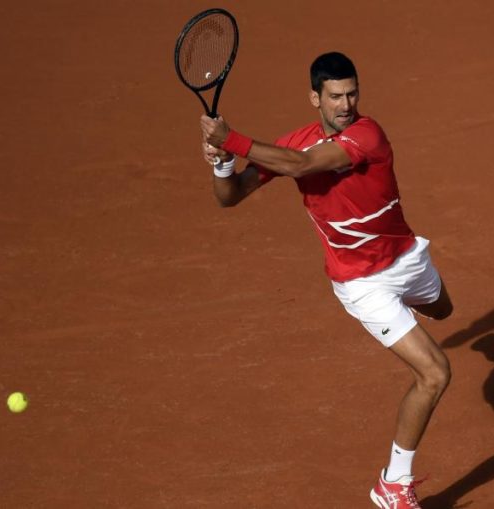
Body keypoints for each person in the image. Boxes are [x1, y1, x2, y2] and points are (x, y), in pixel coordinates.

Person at [200, 51, 453, 509]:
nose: (346, 104)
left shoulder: (368, 135)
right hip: (361, 283)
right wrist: (221, 161)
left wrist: (232, 139)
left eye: (352, 93)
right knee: (434, 374)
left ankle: (410, 312)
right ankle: (393, 484)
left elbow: (300, 166)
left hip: (405, 258)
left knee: (443, 309)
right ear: (314, 97)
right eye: (336, 96)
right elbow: (231, 196)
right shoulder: (292, 143)